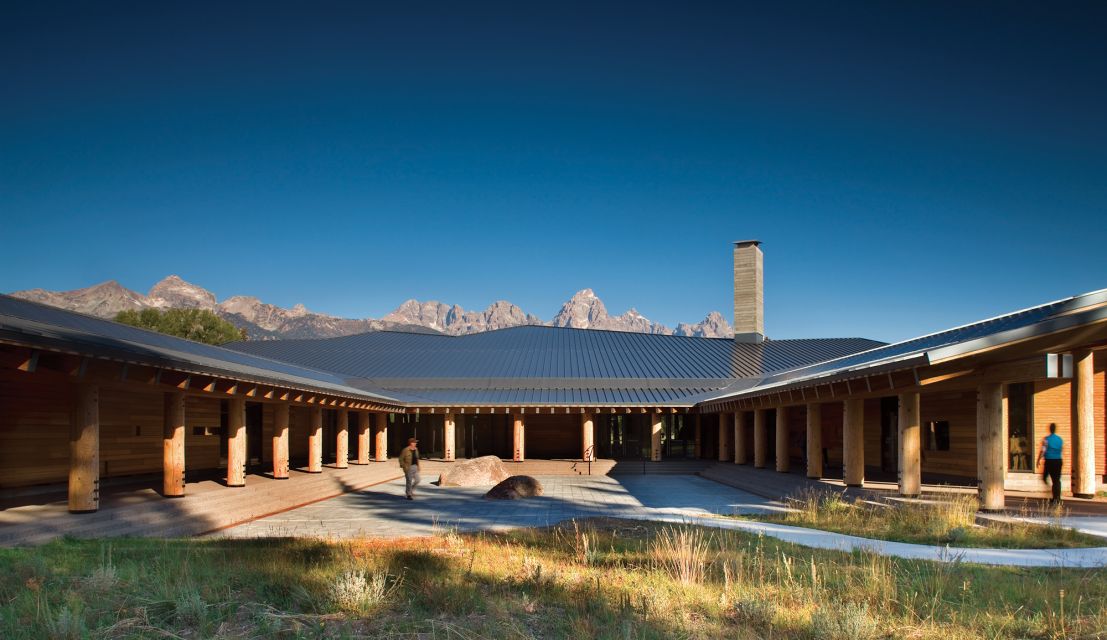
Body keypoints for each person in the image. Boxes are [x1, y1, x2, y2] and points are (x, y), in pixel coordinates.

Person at [1037, 423, 1064, 505]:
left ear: (1050, 429)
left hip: (1049, 461)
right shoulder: (1060, 439)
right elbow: (1061, 449)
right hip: (1058, 460)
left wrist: (1038, 459)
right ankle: (1057, 498)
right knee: (1056, 480)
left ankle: (1052, 493)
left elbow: (1043, 450)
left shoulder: (1046, 439)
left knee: (1045, 478)